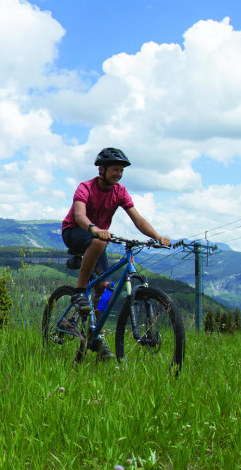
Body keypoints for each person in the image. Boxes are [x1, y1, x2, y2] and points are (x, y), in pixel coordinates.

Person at [61, 147, 171, 360]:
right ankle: (79, 291)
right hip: (75, 231)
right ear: (101, 169)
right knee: (98, 243)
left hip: (98, 239)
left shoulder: (120, 192)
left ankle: (95, 337)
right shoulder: (86, 187)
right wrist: (93, 228)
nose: (118, 174)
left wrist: (157, 237)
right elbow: (79, 215)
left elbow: (137, 219)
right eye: (115, 169)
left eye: (121, 170)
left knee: (104, 288)